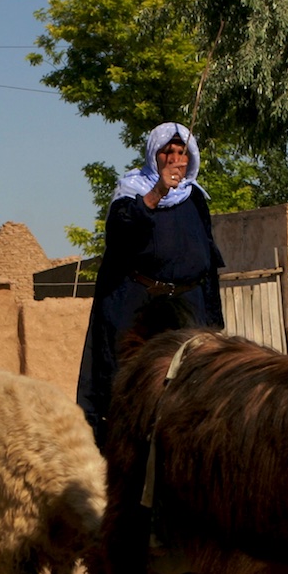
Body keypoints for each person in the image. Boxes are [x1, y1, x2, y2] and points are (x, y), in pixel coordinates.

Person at [76, 122, 225, 446]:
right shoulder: (131, 192)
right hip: (140, 310)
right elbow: (119, 236)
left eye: (181, 152)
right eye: (166, 152)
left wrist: (213, 320)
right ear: (153, 156)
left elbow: (207, 260)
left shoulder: (196, 198)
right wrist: (156, 193)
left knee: (193, 391)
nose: (175, 159)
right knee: (131, 391)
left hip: (188, 309)